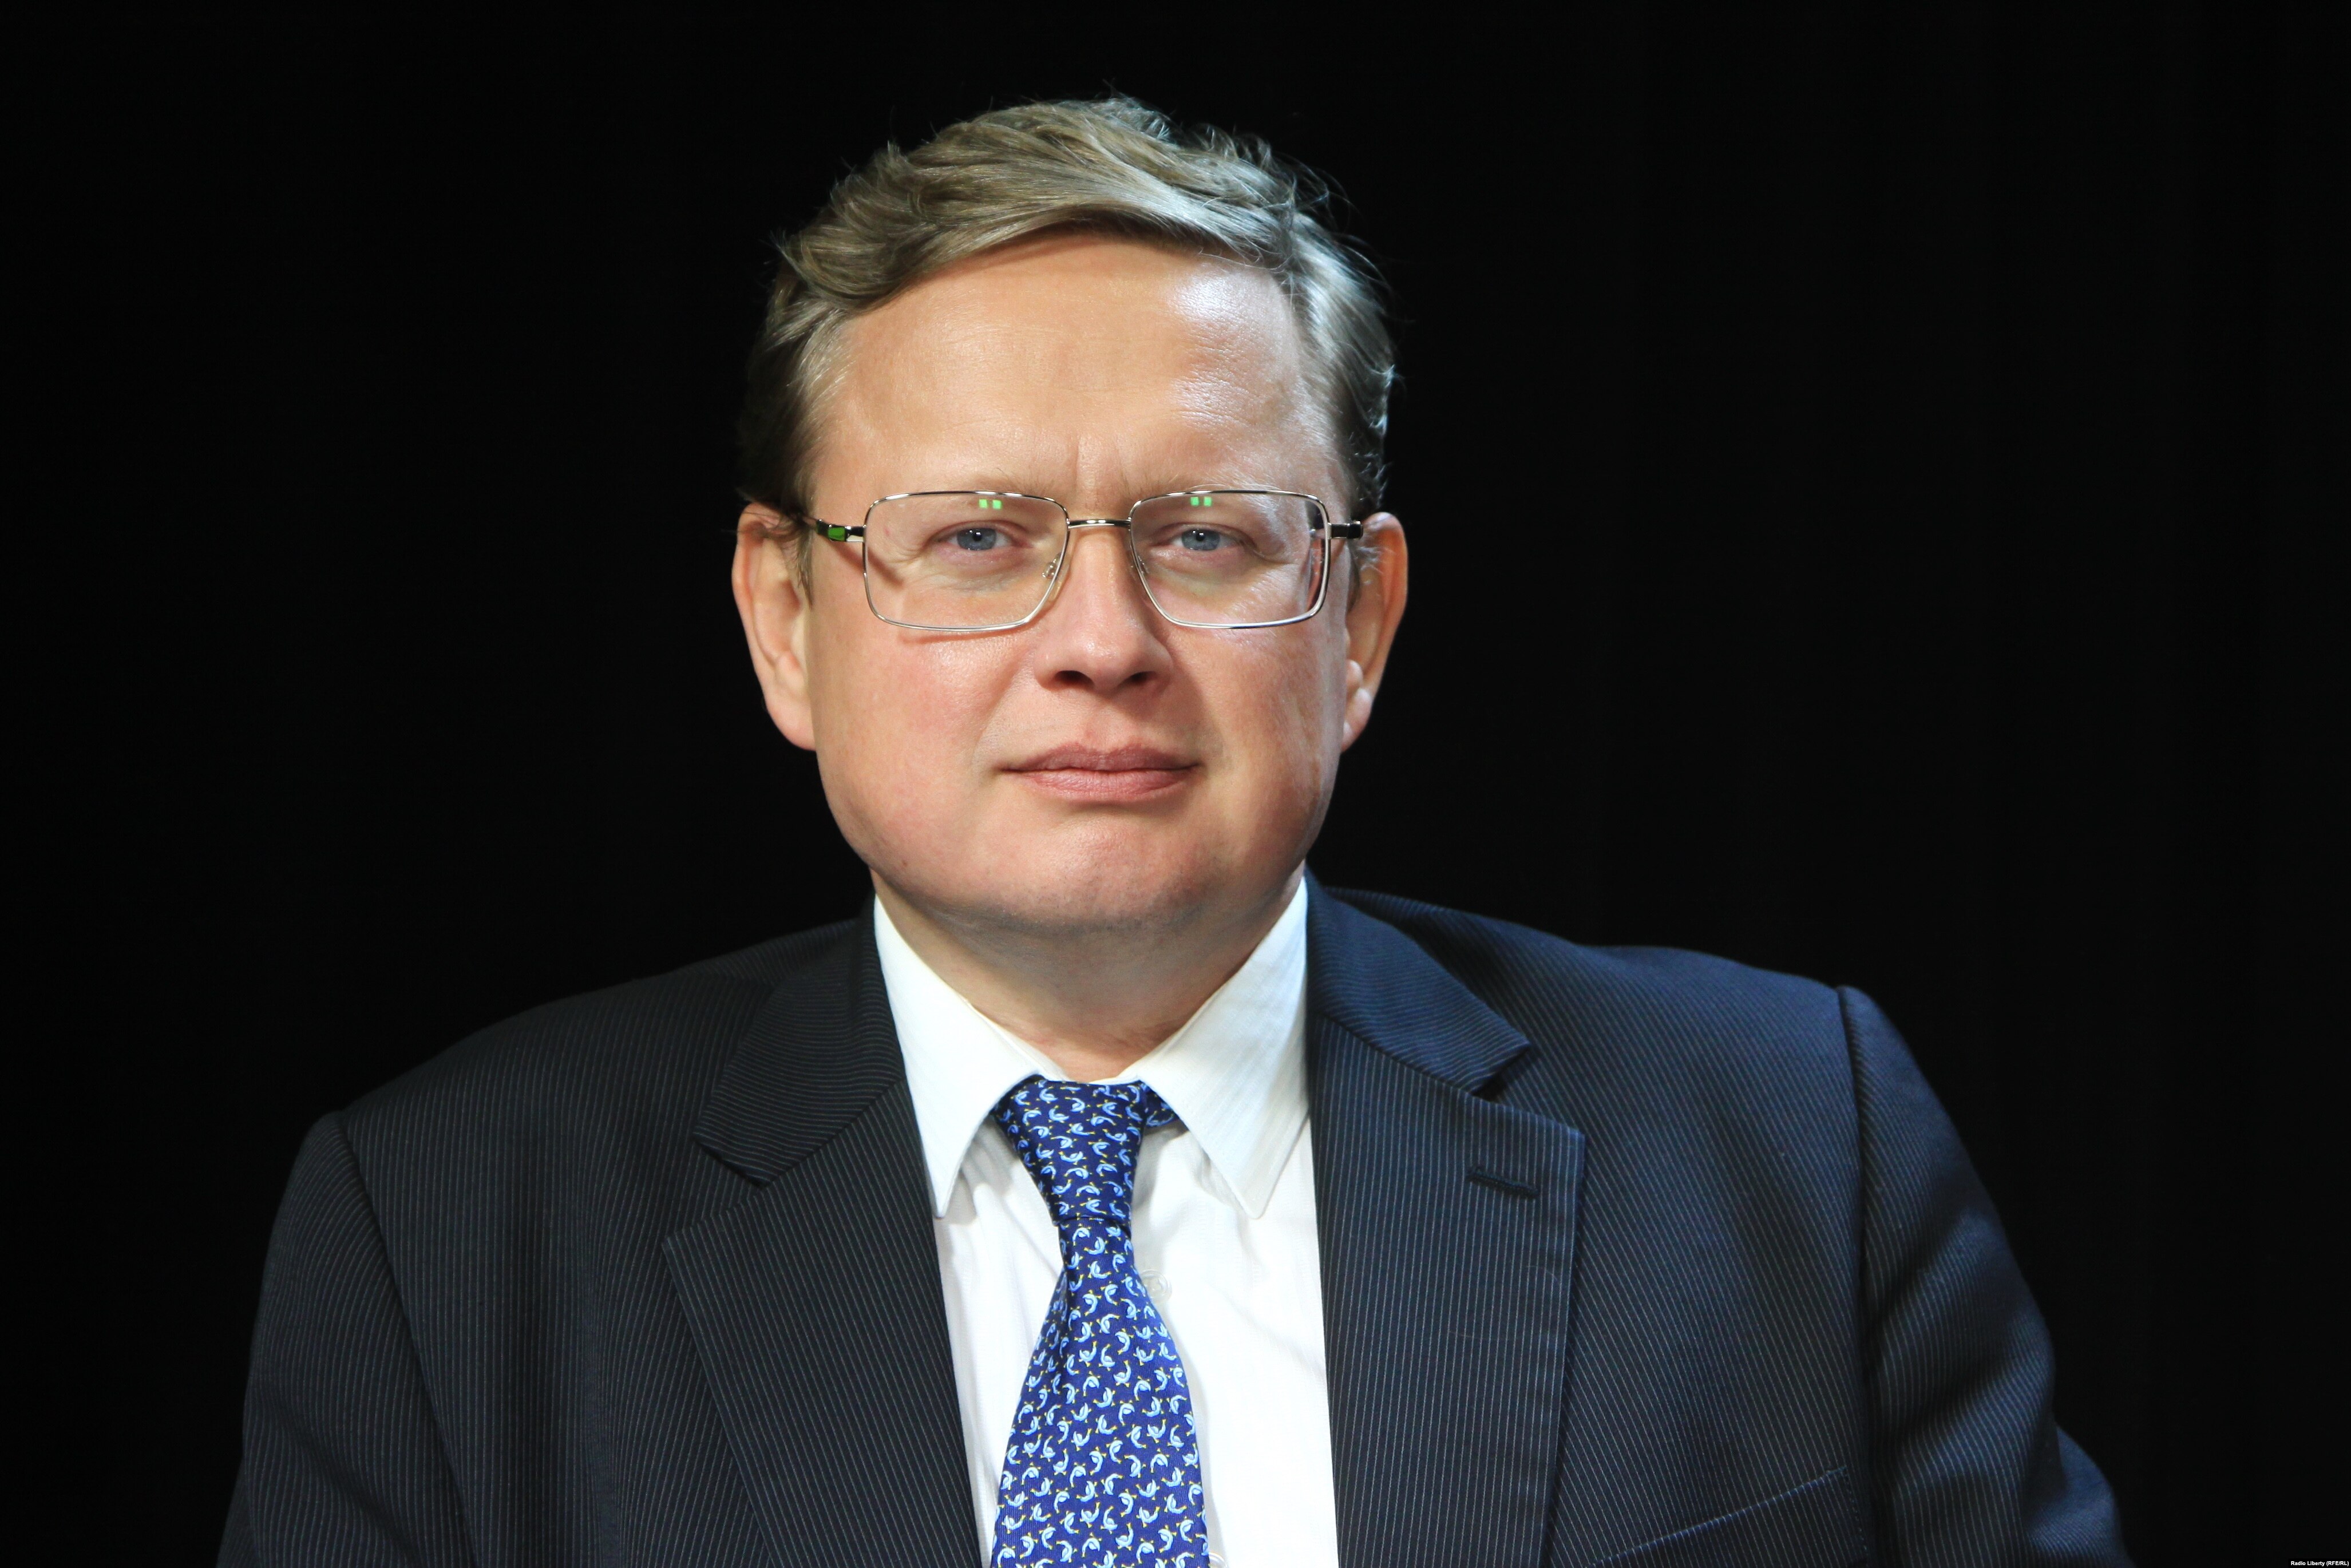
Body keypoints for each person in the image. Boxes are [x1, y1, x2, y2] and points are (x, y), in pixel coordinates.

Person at [220, 98, 2131, 1568]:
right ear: (786, 621)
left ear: (1358, 622)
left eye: (1203, 534)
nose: (1101, 642)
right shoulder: (447, 1228)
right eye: (977, 537)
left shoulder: (1788, 1143)